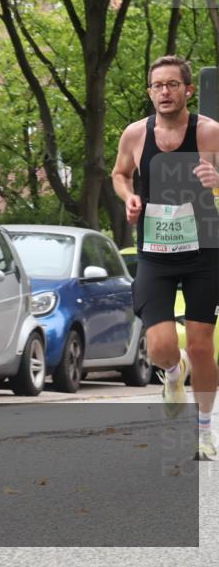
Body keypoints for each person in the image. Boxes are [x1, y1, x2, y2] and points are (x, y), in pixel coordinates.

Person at [111, 55, 219, 461]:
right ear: (150, 92)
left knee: (202, 346)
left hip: (204, 250)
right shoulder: (136, 134)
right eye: (157, 85)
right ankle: (173, 373)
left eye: (172, 84)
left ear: (188, 90)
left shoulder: (210, 133)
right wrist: (130, 197)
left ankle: (205, 431)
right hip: (155, 250)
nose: (164, 92)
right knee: (158, 346)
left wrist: (217, 181)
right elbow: (120, 174)